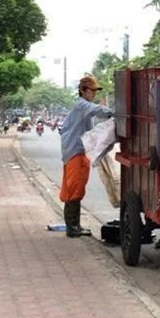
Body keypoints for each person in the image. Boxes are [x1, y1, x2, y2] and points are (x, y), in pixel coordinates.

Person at [60, 76, 113, 238]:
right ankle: (72, 227)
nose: (94, 94)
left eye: (96, 91)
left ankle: (74, 225)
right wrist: (117, 113)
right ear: (83, 91)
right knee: (75, 188)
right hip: (75, 152)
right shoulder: (82, 105)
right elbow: (99, 110)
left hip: (79, 151)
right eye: (92, 91)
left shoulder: (83, 107)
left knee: (77, 187)